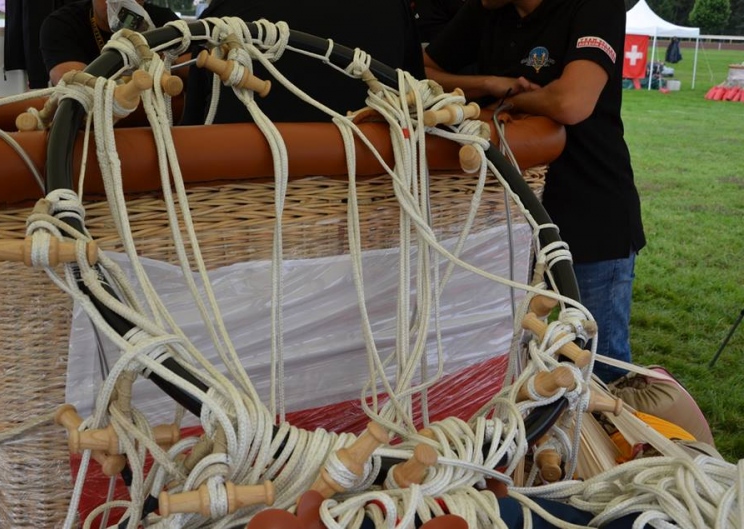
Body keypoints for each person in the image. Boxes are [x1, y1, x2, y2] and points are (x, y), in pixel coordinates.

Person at [423, 0, 646, 383]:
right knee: (505, 360)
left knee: (598, 368)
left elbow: (571, 102)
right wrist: (489, 85)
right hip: (504, 225)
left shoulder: (595, 6)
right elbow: (420, 72)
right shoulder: (487, 9)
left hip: (590, 214)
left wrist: (504, 101)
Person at [181, 0, 425, 124]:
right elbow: (416, 101)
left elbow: (195, 123)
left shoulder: (228, 11)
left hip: (238, 191)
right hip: (374, 190)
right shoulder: (394, 8)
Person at [40, 0, 180, 86]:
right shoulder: (63, 24)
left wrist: (164, 55)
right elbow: (75, 84)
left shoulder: (165, 22)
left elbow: (189, 67)